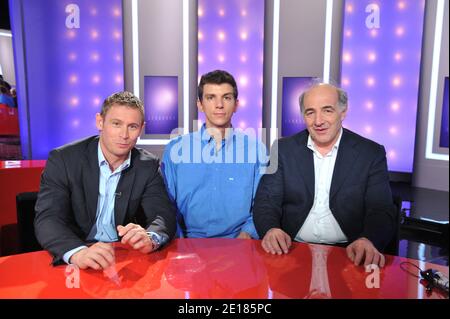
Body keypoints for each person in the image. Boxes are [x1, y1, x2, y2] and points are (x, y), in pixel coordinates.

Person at [253, 82, 396, 267]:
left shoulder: (370, 153)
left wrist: (368, 240)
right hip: (291, 252)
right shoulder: (282, 150)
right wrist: (271, 229)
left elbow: (381, 210)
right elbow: (266, 201)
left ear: (343, 112)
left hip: (349, 254)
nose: (318, 121)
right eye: (310, 112)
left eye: (327, 110)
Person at [35, 91, 177, 269]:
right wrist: (78, 252)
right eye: (116, 124)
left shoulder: (147, 166)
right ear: (100, 122)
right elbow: (48, 218)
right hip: (79, 253)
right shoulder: (64, 160)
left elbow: (163, 215)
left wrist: (150, 238)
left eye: (132, 126)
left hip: (122, 258)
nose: (124, 135)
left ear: (141, 129)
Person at [161, 70, 266, 239]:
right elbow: (166, 206)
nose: (219, 105)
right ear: (200, 104)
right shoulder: (176, 150)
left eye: (226, 97)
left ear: (236, 104)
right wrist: (179, 243)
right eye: (211, 98)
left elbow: (263, 205)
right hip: (187, 246)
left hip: (239, 245)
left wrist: (246, 235)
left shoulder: (256, 150)